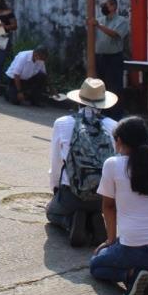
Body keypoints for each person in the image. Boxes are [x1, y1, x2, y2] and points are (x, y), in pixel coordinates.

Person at [90, 117, 148, 295]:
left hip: (134, 248)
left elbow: (108, 207)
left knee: (96, 265)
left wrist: (110, 240)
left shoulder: (113, 164)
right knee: (147, 259)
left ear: (120, 141)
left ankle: (131, 276)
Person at [46, 78, 118, 247]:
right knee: (94, 208)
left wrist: (56, 188)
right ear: (103, 103)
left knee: (51, 212)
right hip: (102, 198)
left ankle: (71, 222)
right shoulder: (115, 126)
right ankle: (94, 219)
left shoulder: (62, 123)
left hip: (72, 194)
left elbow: (56, 163)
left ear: (78, 100)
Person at [91, 0, 128, 119]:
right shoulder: (100, 20)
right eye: (102, 6)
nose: (103, 8)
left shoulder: (121, 21)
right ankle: (103, 112)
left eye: (106, 6)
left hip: (114, 58)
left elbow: (114, 34)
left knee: (115, 87)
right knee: (101, 85)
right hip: (100, 57)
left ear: (114, 7)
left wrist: (98, 26)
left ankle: (116, 115)